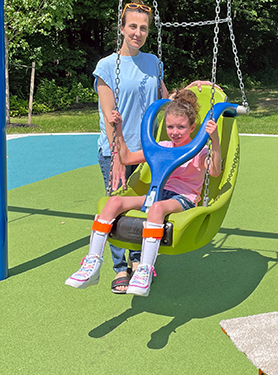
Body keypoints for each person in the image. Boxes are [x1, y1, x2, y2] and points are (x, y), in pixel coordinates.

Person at [93, 1, 212, 293]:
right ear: (122, 28)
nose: (138, 32)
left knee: (149, 203)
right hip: (119, 149)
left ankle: (139, 264)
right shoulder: (107, 66)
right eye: (132, 26)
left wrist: (193, 89)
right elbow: (109, 116)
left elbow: (168, 100)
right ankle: (121, 268)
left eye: (143, 28)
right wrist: (117, 155)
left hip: (153, 150)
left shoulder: (153, 62)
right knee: (119, 206)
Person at [66, 90, 222, 297]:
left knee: (157, 208)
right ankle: (92, 262)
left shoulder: (199, 150)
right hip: (158, 193)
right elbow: (126, 158)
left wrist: (214, 140)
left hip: (183, 199)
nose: (175, 132)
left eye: (181, 127)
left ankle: (144, 270)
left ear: (193, 127)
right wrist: (118, 129)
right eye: (170, 127)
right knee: (112, 203)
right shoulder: (162, 147)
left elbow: (214, 171)